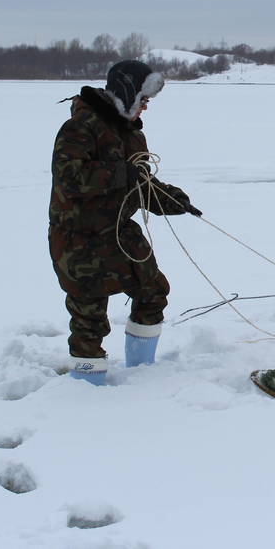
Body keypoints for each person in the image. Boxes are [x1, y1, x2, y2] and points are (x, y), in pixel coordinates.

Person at [49, 60, 201, 385]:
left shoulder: (131, 134)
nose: (146, 107)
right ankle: (86, 387)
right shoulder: (81, 126)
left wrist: (173, 200)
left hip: (118, 233)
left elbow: (140, 184)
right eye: (143, 100)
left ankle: (142, 374)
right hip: (78, 240)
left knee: (153, 292)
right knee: (89, 317)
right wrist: (119, 173)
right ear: (127, 93)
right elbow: (69, 178)